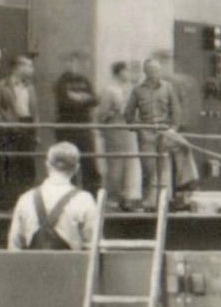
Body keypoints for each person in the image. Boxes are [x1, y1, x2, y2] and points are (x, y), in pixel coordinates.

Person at [124, 57, 198, 210]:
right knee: (149, 169)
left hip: (165, 132)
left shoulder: (168, 87)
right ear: (145, 71)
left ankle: (178, 190)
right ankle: (149, 202)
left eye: (157, 70)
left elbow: (176, 110)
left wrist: (173, 128)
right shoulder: (138, 90)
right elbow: (128, 113)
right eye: (151, 70)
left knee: (179, 152)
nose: (154, 73)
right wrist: (137, 127)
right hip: (146, 134)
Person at [6, 141, 97, 252]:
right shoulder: (85, 199)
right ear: (76, 168)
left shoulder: (26, 198)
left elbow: (14, 246)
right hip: (70, 262)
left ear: (47, 165)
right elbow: (93, 244)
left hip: (32, 262)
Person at [0, 56, 39, 203]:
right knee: (9, 163)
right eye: (29, 66)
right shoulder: (1, 86)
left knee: (27, 162)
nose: (32, 69)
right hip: (9, 127)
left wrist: (36, 131)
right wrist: (2, 124)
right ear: (18, 67)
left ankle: (28, 200)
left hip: (27, 125)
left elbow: (35, 111)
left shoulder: (30, 87)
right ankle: (8, 201)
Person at [95, 61, 141, 210]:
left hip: (129, 131)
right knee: (115, 165)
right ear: (119, 72)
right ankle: (112, 198)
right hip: (115, 130)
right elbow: (101, 114)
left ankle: (127, 197)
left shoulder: (130, 89)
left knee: (130, 164)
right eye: (126, 70)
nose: (129, 73)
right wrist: (112, 115)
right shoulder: (110, 90)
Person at [53, 51, 99, 190]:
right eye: (71, 62)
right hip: (67, 128)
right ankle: (68, 193)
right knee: (67, 162)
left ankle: (91, 194)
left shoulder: (84, 81)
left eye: (77, 62)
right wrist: (83, 98)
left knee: (89, 162)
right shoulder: (61, 82)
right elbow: (65, 102)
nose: (74, 65)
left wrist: (76, 97)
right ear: (66, 64)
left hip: (84, 127)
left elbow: (95, 99)